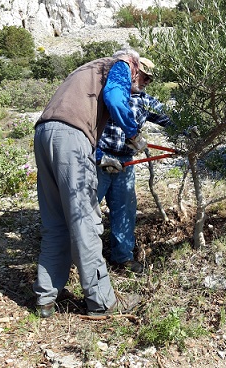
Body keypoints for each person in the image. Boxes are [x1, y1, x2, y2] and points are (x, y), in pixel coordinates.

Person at [33, 48, 147, 320]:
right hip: (70, 138)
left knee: (56, 222)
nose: (138, 84)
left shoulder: (85, 70)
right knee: (86, 222)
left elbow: (69, 128)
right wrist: (133, 133)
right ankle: (101, 302)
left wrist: (99, 156)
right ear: (133, 63)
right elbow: (114, 98)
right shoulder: (120, 64)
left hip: (44, 134)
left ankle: (45, 299)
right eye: (139, 76)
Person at [96, 57, 171, 274]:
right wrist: (98, 155)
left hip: (125, 164)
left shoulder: (145, 101)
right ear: (134, 72)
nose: (147, 81)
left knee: (125, 211)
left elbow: (170, 117)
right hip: (99, 160)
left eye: (151, 78)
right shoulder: (109, 93)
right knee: (86, 210)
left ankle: (122, 258)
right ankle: (75, 259)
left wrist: (191, 128)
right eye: (145, 76)